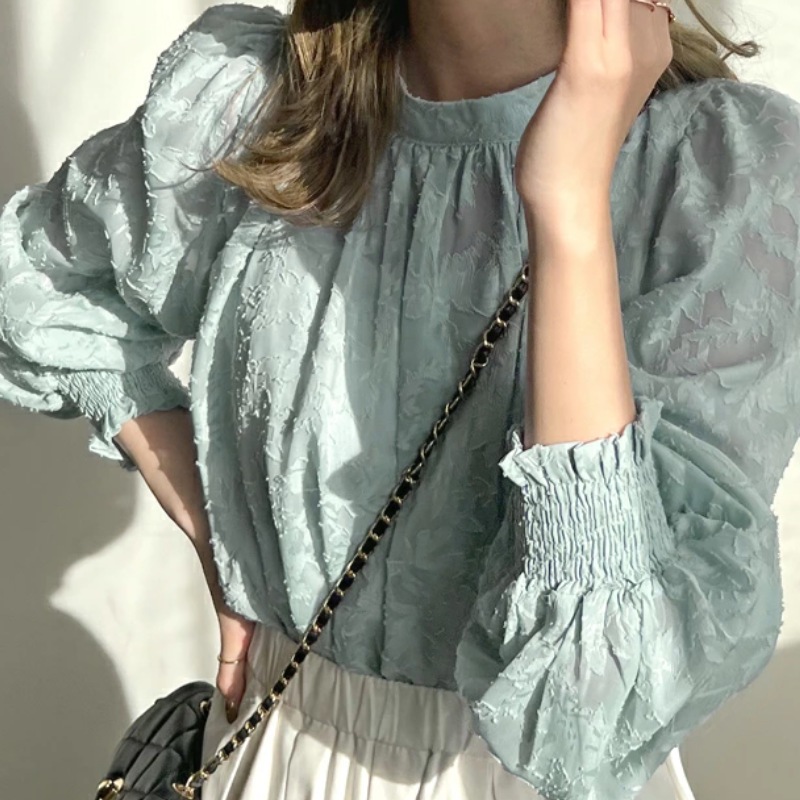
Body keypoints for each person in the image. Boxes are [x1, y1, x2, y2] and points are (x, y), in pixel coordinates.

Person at [0, 0, 798, 798]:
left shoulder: (718, 177)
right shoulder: (258, 106)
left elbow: (586, 720)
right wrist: (223, 542)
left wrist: (570, 210)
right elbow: (39, 289)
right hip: (270, 755)